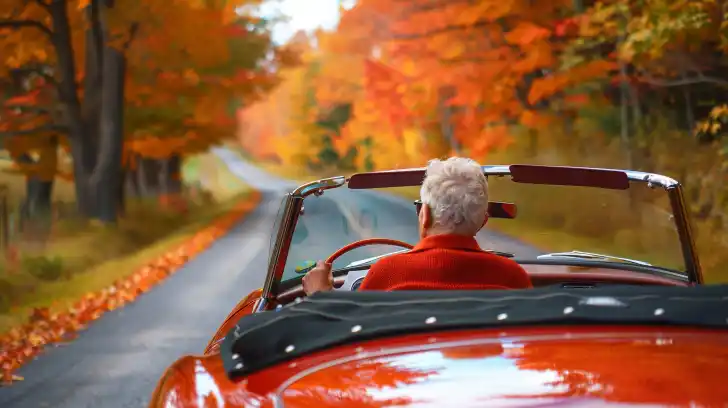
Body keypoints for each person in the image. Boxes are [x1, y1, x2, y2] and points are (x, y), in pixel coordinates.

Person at [302, 157, 533, 295]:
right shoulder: (512, 278)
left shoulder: (387, 274)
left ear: (424, 215)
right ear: (483, 222)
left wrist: (321, 298)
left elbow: (356, 345)